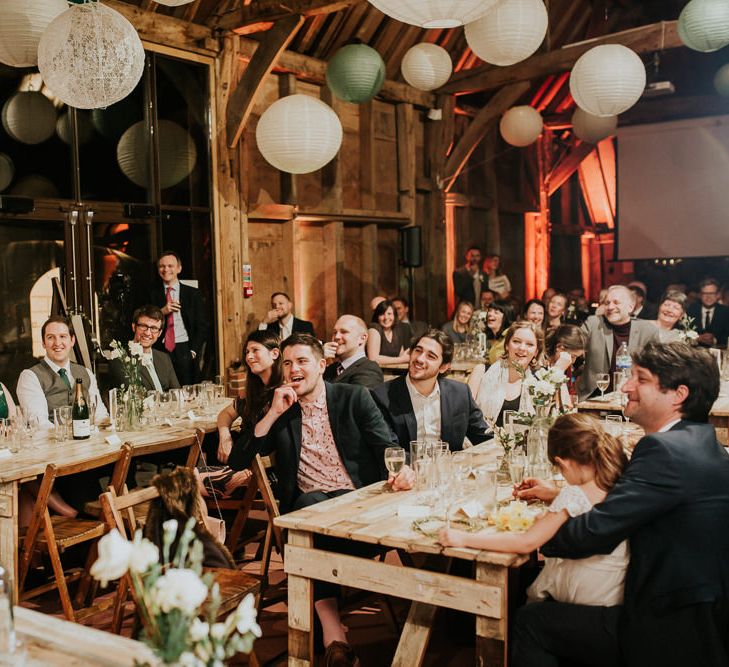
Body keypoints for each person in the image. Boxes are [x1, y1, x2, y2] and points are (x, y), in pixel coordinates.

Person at [517, 342, 729, 667]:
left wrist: (528, 537)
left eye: (640, 379)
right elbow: (639, 497)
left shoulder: (663, 449)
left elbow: (595, 532)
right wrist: (558, 492)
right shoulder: (701, 440)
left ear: (678, 394)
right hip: (705, 611)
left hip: (669, 627)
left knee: (531, 620)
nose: (626, 386)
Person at [231, 333, 411, 665]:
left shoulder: (354, 397)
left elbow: (389, 446)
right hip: (309, 519)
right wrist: (270, 414)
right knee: (306, 510)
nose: (293, 369)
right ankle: (334, 637)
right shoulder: (281, 407)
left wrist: (404, 471)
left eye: (301, 361)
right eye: (287, 363)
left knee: (305, 530)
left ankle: (330, 629)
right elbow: (238, 462)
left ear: (321, 365)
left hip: (359, 516)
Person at [439, 413, 628, 667]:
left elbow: (525, 543)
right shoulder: (618, 485)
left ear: (563, 462)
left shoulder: (572, 495)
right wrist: (553, 494)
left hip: (593, 608)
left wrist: (463, 538)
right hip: (619, 599)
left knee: (526, 618)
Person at [16, 316, 109, 513]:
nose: (57, 343)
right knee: (86, 495)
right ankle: (88, 521)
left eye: (62, 336)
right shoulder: (30, 376)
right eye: (50, 338)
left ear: (72, 340)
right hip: (57, 459)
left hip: (90, 453)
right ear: (43, 342)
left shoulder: (84, 372)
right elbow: (39, 425)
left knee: (125, 467)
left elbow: (100, 414)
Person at [372, 330, 490, 451]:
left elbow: (484, 437)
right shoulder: (382, 395)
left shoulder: (460, 393)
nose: (420, 359)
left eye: (431, 356)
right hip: (407, 468)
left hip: (449, 468)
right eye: (418, 350)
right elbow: (388, 449)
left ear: (443, 367)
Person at [577, 285, 659, 401]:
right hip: (594, 397)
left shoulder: (647, 331)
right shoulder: (594, 323)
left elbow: (657, 367)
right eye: (607, 303)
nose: (610, 307)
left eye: (616, 302)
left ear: (630, 307)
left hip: (632, 398)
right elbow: (574, 344)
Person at [218, 330, 283, 467]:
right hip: (241, 460)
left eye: (255, 350)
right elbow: (226, 414)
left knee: (191, 479)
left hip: (258, 469)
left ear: (275, 353)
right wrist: (225, 437)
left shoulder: (282, 393)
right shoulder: (252, 391)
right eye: (247, 352)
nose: (249, 357)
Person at [468, 321, 543, 427]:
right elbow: (464, 415)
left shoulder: (540, 384)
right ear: (507, 345)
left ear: (536, 351)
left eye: (529, 344)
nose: (522, 348)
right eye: (516, 341)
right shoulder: (481, 372)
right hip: (481, 442)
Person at [151, 251, 208, 385]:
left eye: (170, 266)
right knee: (164, 388)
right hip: (161, 348)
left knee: (187, 390)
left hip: (185, 347)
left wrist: (193, 350)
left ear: (179, 268)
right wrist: (162, 311)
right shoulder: (152, 293)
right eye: (162, 266)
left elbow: (202, 326)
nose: (166, 270)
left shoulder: (193, 294)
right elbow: (144, 318)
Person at [108, 305, 180, 392]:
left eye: (154, 328)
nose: (148, 333)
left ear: (160, 333)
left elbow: (177, 393)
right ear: (134, 327)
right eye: (143, 326)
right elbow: (133, 397)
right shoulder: (120, 358)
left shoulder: (164, 358)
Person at [322, 315, 384, 389]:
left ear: (362, 338)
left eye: (344, 332)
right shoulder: (331, 368)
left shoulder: (370, 369)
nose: (337, 337)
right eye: (335, 332)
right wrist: (318, 358)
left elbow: (356, 399)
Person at [544, 324, 586, 408]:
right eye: (573, 356)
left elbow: (569, 397)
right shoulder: (539, 365)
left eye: (576, 357)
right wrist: (558, 369)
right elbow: (543, 400)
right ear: (560, 348)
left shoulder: (566, 367)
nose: (573, 361)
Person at [366, 299, 411, 365]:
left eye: (389, 314)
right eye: (382, 314)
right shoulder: (374, 328)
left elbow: (401, 356)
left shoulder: (397, 330)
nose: (386, 317)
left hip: (394, 372)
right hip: (375, 373)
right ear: (377, 316)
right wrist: (402, 359)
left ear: (394, 315)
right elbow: (373, 359)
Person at [687, 278, 729, 347]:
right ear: (700, 295)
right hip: (693, 352)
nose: (708, 297)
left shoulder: (726, 312)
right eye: (705, 293)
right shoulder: (691, 310)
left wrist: (714, 340)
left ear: (718, 295)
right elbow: (682, 332)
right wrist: (697, 338)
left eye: (712, 293)